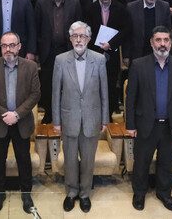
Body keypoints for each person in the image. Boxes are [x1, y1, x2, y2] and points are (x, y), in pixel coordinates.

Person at [126, 26, 172, 212]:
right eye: (158, 40)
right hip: (145, 125)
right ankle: (139, 194)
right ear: (151, 42)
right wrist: (130, 124)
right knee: (141, 164)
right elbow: (131, 97)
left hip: (171, 126)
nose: (162, 44)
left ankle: (164, 193)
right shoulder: (138, 65)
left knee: (166, 163)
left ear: (171, 42)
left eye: (166, 40)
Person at [0, 32, 41, 214]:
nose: (8, 49)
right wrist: (4, 114)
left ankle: (26, 193)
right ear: (0, 47)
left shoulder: (30, 67)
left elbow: (35, 94)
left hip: (21, 123)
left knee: (24, 159)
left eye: (12, 45)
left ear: (19, 46)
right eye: (4, 45)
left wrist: (17, 114)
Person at [52, 21, 108, 213]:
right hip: (68, 119)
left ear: (89, 39)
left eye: (82, 36)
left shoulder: (99, 60)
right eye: (75, 36)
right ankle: (71, 192)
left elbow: (104, 92)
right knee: (69, 159)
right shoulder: (60, 60)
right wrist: (56, 121)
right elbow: (56, 93)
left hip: (92, 119)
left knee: (88, 160)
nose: (78, 39)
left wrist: (105, 119)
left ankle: (84, 194)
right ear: (70, 38)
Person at [34, 0, 81, 123]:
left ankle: (66, 116)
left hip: (68, 51)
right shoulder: (41, 4)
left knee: (68, 85)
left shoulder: (75, 3)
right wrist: (36, 51)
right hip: (48, 52)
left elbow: (80, 29)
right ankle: (49, 114)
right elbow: (36, 29)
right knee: (48, 86)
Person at [84, 0, 130, 117]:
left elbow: (126, 30)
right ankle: (94, 115)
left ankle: (108, 115)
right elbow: (86, 31)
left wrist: (111, 44)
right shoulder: (89, 9)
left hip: (113, 53)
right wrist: (99, 49)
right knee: (94, 84)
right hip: (93, 53)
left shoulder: (121, 8)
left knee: (110, 84)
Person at [123, 0, 171, 64]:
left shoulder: (164, 6)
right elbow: (127, 34)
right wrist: (126, 55)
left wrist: (167, 52)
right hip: (137, 53)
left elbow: (168, 32)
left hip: (158, 52)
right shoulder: (131, 7)